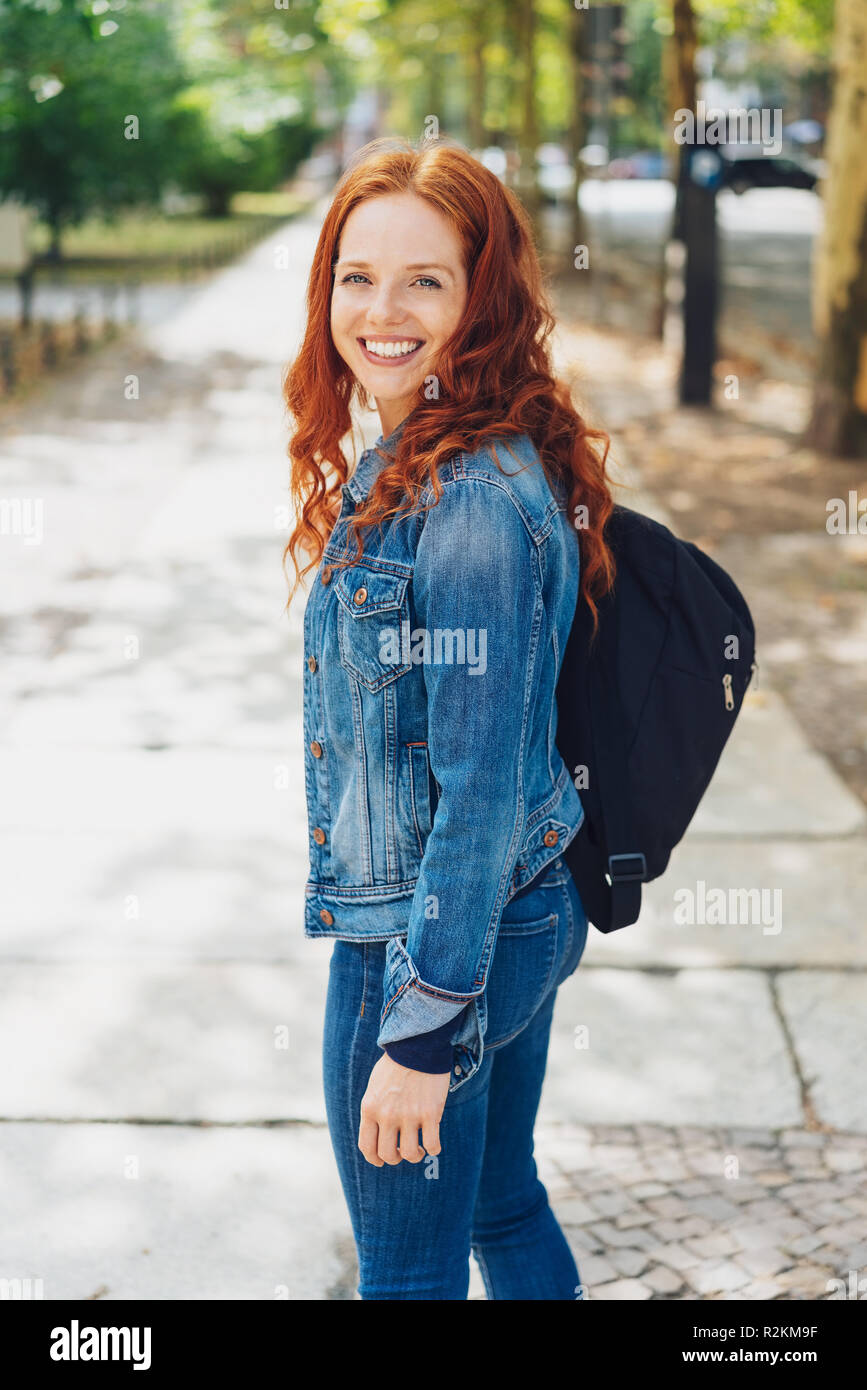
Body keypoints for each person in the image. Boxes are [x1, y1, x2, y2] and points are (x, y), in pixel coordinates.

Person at [283, 136, 615, 1300]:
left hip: (433, 940)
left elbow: (473, 790)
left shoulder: (466, 499)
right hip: (522, 903)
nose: (381, 310)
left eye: (424, 279)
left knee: (409, 1270)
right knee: (499, 1200)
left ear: (483, 297)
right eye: (356, 275)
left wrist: (420, 1031)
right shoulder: (439, 446)